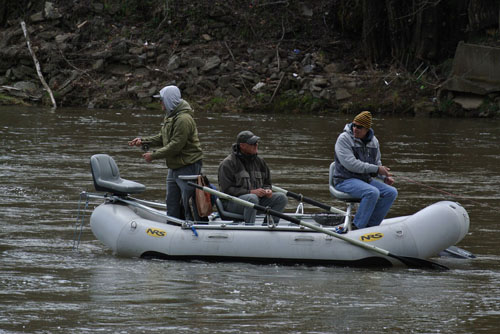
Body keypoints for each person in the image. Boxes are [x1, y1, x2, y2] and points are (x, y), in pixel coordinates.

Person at [128, 85, 203, 220]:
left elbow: (176, 146)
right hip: (174, 167)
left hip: (188, 166)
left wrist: (153, 155)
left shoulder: (183, 119)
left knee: (189, 203)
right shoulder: (170, 117)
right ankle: (174, 225)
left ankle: (196, 226)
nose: (160, 103)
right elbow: (163, 138)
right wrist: (144, 141)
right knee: (172, 201)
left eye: (162, 100)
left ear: (169, 100)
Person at [333, 111, 397, 231]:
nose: (355, 129)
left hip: (365, 180)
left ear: (367, 129)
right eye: (354, 125)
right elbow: (351, 164)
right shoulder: (343, 139)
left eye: (359, 127)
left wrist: (384, 177)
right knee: (372, 192)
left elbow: (377, 162)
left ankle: (370, 227)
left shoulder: (374, 141)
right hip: (344, 180)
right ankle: (357, 227)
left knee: (391, 192)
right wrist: (377, 169)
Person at [218, 130, 288, 225]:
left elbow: (267, 183)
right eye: (252, 143)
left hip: (256, 201)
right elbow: (226, 190)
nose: (256, 145)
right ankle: (249, 227)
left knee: (281, 198)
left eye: (256, 143)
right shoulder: (227, 164)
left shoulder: (260, 162)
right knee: (252, 198)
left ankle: (269, 226)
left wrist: (267, 190)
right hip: (232, 203)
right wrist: (250, 192)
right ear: (242, 146)